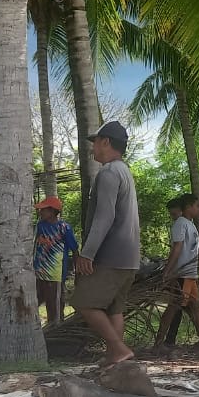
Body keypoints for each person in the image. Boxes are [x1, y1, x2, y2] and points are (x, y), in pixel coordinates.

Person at [74, 121, 141, 367]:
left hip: (110, 255)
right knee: (114, 309)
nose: (93, 149)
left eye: (95, 143)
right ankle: (117, 362)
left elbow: (105, 217)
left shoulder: (109, 173)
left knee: (84, 302)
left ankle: (119, 349)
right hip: (129, 257)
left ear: (105, 142)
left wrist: (87, 253)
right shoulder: (124, 171)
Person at [154, 194, 199, 354]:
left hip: (185, 273)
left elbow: (182, 248)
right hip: (186, 273)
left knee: (180, 307)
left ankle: (160, 343)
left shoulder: (185, 224)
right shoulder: (186, 225)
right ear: (189, 207)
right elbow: (187, 250)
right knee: (186, 307)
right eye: (197, 206)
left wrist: (168, 270)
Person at [34, 196, 80, 326]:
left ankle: (57, 328)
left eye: (43, 209)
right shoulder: (40, 226)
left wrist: (77, 272)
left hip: (56, 273)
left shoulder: (64, 227)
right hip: (39, 271)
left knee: (54, 302)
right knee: (35, 299)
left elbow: (75, 250)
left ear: (52, 211)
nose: (40, 212)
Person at [155, 197, 185, 350]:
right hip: (183, 272)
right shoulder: (185, 224)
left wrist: (168, 269)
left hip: (182, 272)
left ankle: (165, 340)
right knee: (176, 307)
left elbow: (177, 248)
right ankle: (164, 341)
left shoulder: (181, 224)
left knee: (177, 306)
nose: (173, 218)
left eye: (174, 214)